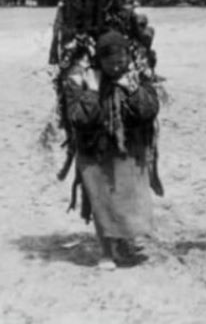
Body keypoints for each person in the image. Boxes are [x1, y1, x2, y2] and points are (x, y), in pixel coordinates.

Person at [64, 30, 163, 270]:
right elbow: (78, 117)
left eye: (122, 60)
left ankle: (124, 243)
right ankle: (106, 252)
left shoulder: (136, 77)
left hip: (127, 149)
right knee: (102, 202)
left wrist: (132, 90)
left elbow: (149, 110)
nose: (117, 66)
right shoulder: (81, 78)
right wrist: (92, 91)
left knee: (126, 200)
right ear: (100, 60)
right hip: (94, 151)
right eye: (111, 62)